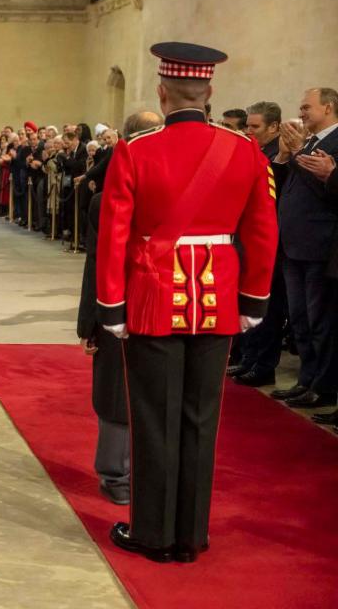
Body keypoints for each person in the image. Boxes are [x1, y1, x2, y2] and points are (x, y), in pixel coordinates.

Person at [97, 42, 278, 563]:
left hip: (154, 298)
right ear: (210, 92)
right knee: (203, 418)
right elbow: (264, 229)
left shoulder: (135, 150)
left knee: (154, 418)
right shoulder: (243, 149)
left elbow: (114, 233)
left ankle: (152, 533)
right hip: (217, 300)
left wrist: (112, 305)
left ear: (162, 91)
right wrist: (254, 299)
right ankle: (191, 535)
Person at [77, 110, 163, 507]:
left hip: (125, 307)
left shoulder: (106, 198)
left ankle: (119, 476)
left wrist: (90, 323)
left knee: (118, 391)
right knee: (128, 391)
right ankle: (121, 473)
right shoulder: (109, 198)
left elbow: (97, 265)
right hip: (156, 304)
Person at [270, 88, 338, 410]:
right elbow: (284, 188)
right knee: (298, 318)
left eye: (307, 107)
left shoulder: (335, 142)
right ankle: (306, 379)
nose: (301, 112)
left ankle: (323, 386)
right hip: (292, 244)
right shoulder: (308, 143)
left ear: (328, 106)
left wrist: (297, 153)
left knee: (319, 321)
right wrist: (284, 158)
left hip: (318, 245)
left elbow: (328, 191)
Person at [228, 101, 286, 387]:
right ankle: (248, 358)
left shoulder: (278, 154)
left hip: (271, 241)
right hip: (243, 236)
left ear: (274, 127)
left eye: (255, 126)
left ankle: (263, 364)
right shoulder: (256, 151)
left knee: (268, 307)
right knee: (244, 299)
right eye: (247, 126)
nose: (248, 131)